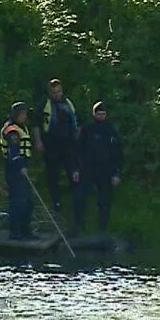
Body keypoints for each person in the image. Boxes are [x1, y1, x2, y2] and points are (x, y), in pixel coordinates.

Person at [72, 101, 123, 235]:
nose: (101, 116)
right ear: (94, 114)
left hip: (106, 170)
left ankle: (102, 229)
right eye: (98, 114)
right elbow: (78, 150)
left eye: (103, 114)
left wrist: (117, 173)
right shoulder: (87, 129)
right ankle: (78, 226)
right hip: (87, 169)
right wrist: (76, 169)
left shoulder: (110, 130)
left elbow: (117, 153)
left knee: (104, 201)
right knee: (79, 199)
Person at [36, 78, 79, 213]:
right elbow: (36, 124)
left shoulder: (68, 103)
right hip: (51, 143)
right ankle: (56, 202)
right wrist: (38, 141)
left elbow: (78, 120)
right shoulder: (44, 104)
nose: (57, 94)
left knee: (73, 171)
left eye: (59, 91)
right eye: (54, 92)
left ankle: (76, 201)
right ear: (49, 92)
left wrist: (78, 135)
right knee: (53, 174)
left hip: (68, 144)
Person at [0, 101, 36, 240]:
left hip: (21, 168)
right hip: (14, 170)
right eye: (24, 114)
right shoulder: (12, 130)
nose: (26, 116)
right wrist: (21, 167)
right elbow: (13, 152)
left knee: (27, 202)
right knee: (18, 202)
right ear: (18, 114)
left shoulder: (21, 127)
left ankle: (25, 230)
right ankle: (15, 232)